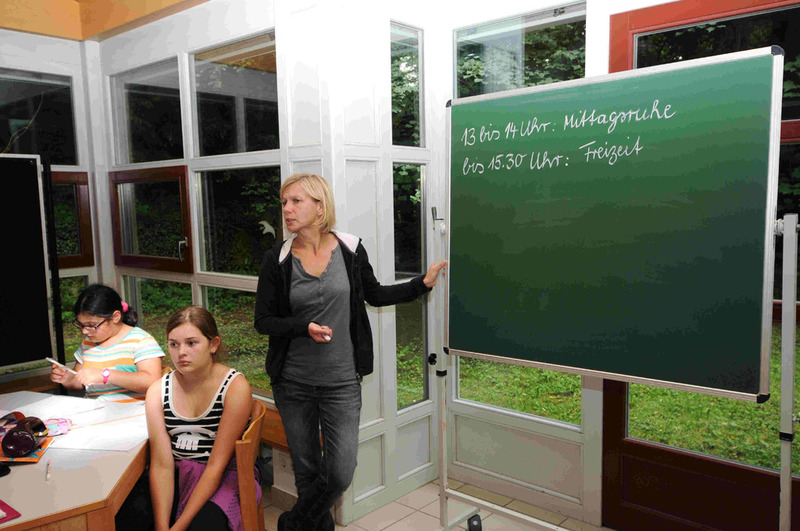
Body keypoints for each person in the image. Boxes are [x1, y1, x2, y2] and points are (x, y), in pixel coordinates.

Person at [254, 173, 447, 531]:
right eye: (284, 203)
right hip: (292, 383)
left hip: (341, 381)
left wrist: (420, 284)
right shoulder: (276, 260)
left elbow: (375, 294)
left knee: (340, 473)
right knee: (307, 472)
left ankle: (291, 523)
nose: (287, 209)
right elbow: (263, 321)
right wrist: (304, 327)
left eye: (296, 201)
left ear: (320, 206)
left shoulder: (350, 250)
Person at [145, 305, 255, 531]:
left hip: (222, 477)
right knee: (128, 515)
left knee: (202, 526)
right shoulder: (157, 391)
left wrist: (179, 527)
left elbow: (216, 465)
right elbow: (162, 464)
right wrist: (162, 526)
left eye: (191, 343)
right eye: (174, 344)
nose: (181, 352)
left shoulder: (234, 387)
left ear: (213, 345)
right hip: (176, 474)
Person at [50, 283, 164, 402]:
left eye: (91, 325)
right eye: (81, 325)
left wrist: (106, 375)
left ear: (115, 317)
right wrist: (68, 379)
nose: (84, 331)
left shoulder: (141, 341)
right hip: (97, 411)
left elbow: (152, 382)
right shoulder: (88, 344)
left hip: (132, 411)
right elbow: (80, 383)